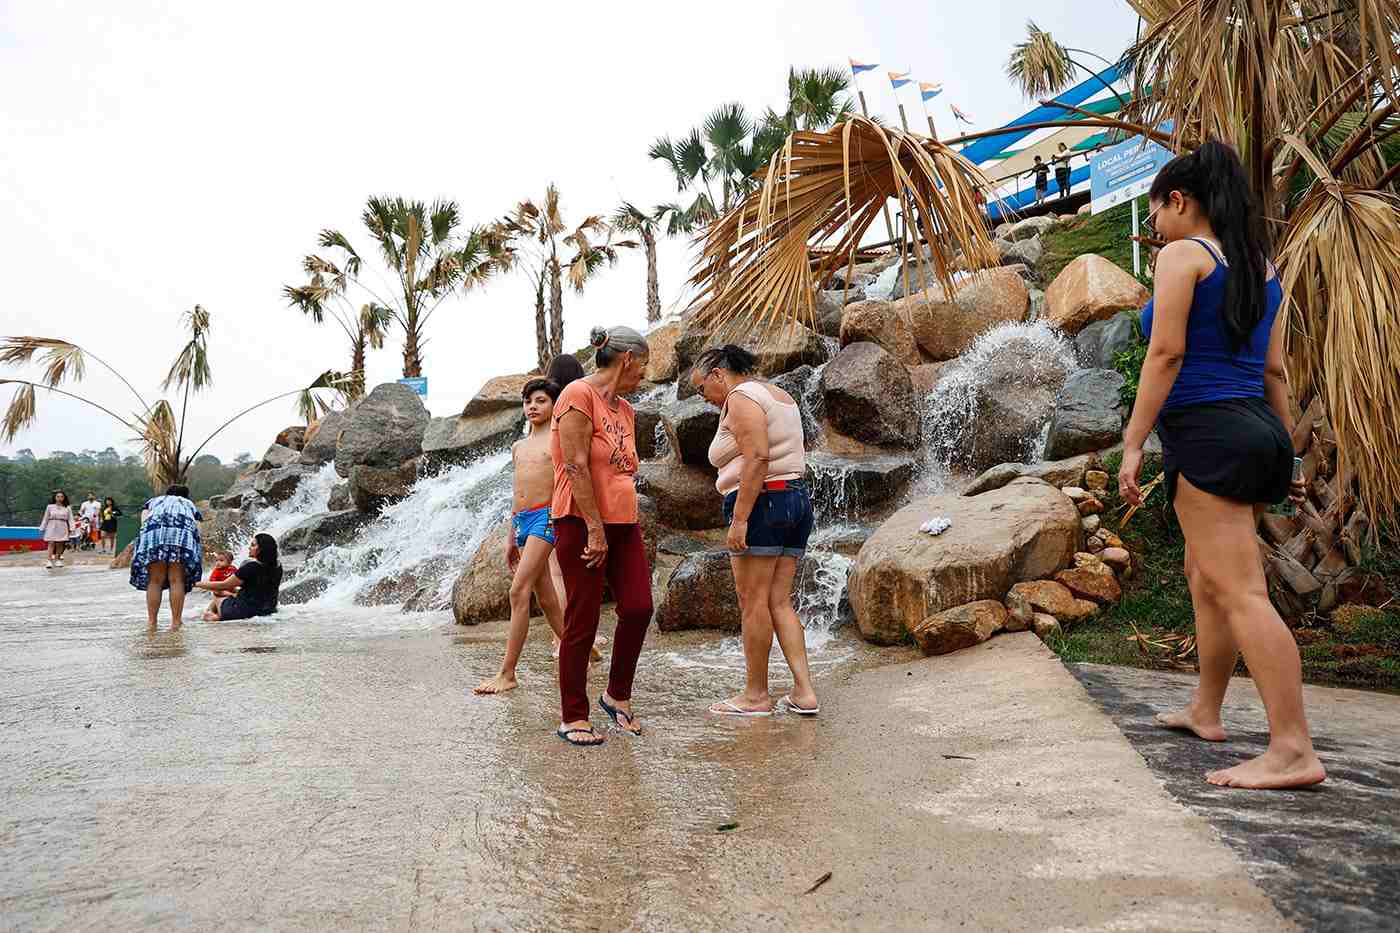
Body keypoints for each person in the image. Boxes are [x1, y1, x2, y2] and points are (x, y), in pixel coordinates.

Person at [1119, 139, 1325, 790]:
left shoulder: (1184, 255)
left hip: (1208, 433)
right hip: (1258, 428)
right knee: (1204, 572)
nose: (1155, 230)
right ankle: (1206, 710)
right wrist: (1287, 449)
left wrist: (1133, 441)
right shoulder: (1261, 266)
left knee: (1240, 590)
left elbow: (1166, 354)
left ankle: (1293, 747)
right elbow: (1274, 370)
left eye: (1155, 215)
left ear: (1179, 201)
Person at [692, 345, 820, 716]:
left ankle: (755, 696)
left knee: (753, 602)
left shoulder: (741, 397)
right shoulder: (777, 394)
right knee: (779, 600)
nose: (707, 399)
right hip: (794, 498)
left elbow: (759, 456)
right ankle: (804, 693)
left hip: (762, 503)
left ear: (718, 373)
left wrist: (741, 518)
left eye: (703, 389)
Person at [551, 325, 652, 746]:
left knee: (639, 606)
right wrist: (594, 527)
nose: (645, 375)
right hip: (580, 519)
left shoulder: (625, 409)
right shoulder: (577, 395)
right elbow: (575, 465)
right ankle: (573, 715)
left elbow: (623, 466)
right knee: (583, 617)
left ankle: (616, 695)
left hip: (623, 522)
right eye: (643, 366)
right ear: (626, 360)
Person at [474, 378, 569, 695]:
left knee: (518, 591)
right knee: (546, 597)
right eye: (528, 401)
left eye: (541, 400)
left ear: (554, 405)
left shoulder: (557, 441)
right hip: (524, 521)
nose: (533, 406)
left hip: (547, 517)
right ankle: (577, 648)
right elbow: (517, 494)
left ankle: (508, 673)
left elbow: (565, 483)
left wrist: (559, 516)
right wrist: (511, 537)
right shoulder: (519, 447)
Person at [542, 353, 606, 662]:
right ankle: (579, 635)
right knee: (582, 576)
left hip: (557, 500)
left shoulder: (550, 411)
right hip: (584, 498)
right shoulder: (586, 404)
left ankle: (562, 638)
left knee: (558, 574)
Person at [129, 484, 203, 631]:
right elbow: (198, 529)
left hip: (154, 533)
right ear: (186, 495)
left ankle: (152, 622)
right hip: (181, 535)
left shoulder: (154, 501)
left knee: (155, 580)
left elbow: (144, 521)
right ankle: (175, 623)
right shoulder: (188, 504)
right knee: (176, 579)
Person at [195, 533, 283, 621]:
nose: (249, 548)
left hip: (244, 610)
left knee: (217, 597)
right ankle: (218, 616)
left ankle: (212, 616)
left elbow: (223, 585)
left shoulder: (250, 567)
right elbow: (257, 589)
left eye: (253, 545)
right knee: (229, 595)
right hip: (268, 610)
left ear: (261, 549)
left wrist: (196, 583)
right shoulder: (278, 566)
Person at [40, 491, 75, 569]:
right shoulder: (50, 507)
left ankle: (57, 559)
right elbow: (45, 518)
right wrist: (42, 527)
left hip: (62, 525)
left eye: (61, 497)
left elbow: (71, 519)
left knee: (60, 543)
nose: (59, 498)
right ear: (55, 498)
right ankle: (49, 560)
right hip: (51, 525)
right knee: (51, 543)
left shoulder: (67, 507)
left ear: (64, 498)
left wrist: (72, 528)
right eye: (58, 496)